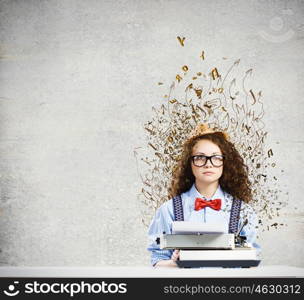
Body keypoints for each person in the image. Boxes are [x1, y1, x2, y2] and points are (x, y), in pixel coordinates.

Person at [147, 123, 260, 267]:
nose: (208, 164)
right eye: (200, 157)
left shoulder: (244, 212)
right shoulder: (168, 210)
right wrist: (174, 263)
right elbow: (157, 261)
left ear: (225, 162)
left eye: (216, 157)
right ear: (190, 163)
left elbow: (251, 264)